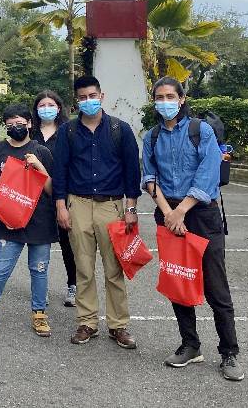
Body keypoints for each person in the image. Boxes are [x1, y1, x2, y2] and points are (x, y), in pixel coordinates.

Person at [142, 76, 244, 381]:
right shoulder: (152, 136)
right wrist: (168, 213)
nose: (164, 102)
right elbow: (149, 176)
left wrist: (181, 211)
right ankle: (190, 344)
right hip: (168, 211)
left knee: (216, 287)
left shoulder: (202, 131)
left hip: (201, 213)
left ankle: (229, 352)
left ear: (182, 99)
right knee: (179, 281)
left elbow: (207, 174)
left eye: (170, 96)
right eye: (159, 97)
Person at [52, 75, 141, 349]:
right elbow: (60, 171)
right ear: (76, 101)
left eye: (92, 96)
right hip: (77, 205)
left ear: (102, 96)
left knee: (114, 269)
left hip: (111, 207)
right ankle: (87, 322)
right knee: (84, 267)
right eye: (82, 97)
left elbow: (132, 171)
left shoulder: (120, 129)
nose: (88, 101)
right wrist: (60, 206)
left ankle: (118, 325)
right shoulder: (67, 132)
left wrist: (131, 208)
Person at [0, 105, 57, 337]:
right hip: (7, 222)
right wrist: (4, 213)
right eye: (10, 124)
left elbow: (53, 190)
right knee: (1, 269)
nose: (16, 127)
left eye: (20, 123)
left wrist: (39, 168)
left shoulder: (41, 152)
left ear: (30, 124)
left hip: (40, 222)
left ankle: (39, 314)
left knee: (39, 269)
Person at [31, 90, 77, 307]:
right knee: (40, 244)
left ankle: (73, 285)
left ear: (59, 108)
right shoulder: (31, 132)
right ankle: (41, 288)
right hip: (36, 196)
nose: (46, 108)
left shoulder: (69, 131)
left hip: (63, 194)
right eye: (42, 105)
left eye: (51, 104)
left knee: (68, 243)